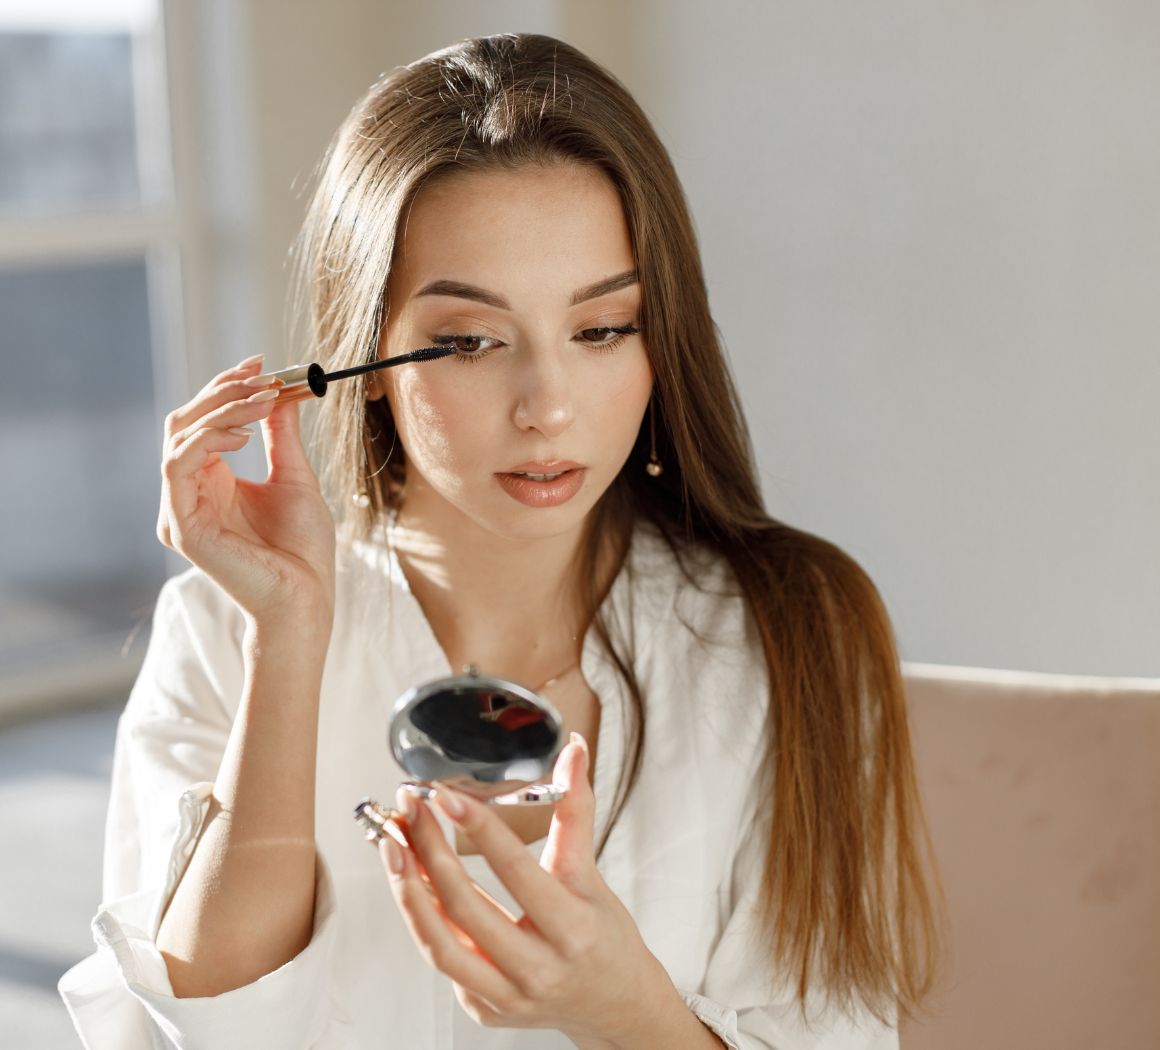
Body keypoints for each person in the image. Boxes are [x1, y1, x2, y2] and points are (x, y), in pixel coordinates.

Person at [58, 33, 944, 1049]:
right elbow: (200, 1031)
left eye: (602, 329)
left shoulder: (788, 634)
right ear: (368, 357)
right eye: (471, 342)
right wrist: (290, 638)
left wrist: (628, 1013)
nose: (548, 408)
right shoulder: (227, 628)